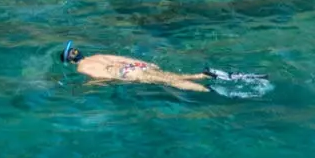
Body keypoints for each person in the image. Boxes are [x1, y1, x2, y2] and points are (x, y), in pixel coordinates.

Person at [61, 42, 211, 92]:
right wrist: (146, 64)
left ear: (71, 62)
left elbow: (102, 78)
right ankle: (200, 75)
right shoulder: (98, 56)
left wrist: (88, 86)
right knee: (169, 75)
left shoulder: (81, 68)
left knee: (169, 81)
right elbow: (123, 58)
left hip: (124, 73)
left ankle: (206, 90)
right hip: (135, 65)